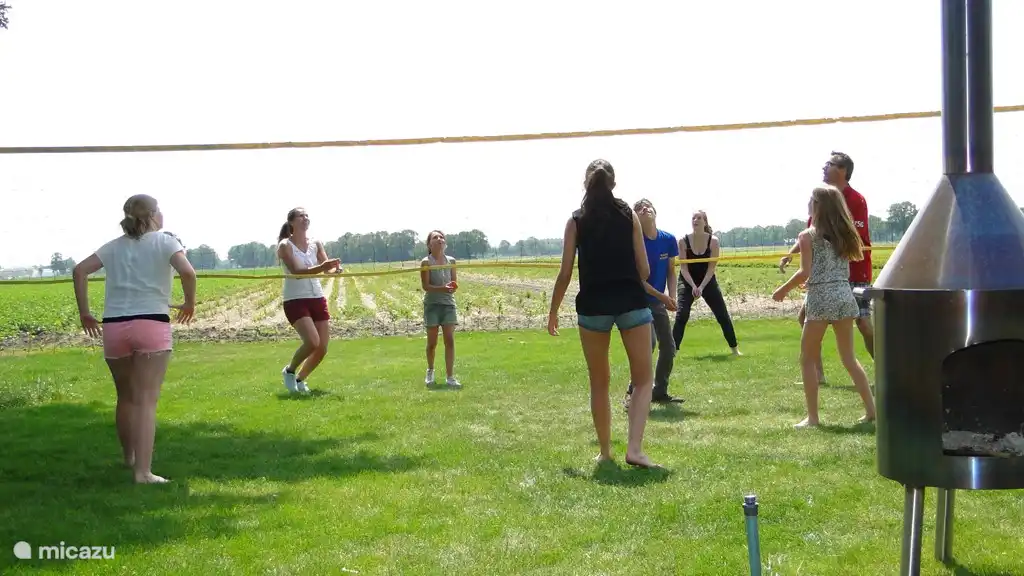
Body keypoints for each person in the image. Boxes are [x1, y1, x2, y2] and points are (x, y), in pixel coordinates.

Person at [72, 194, 197, 484]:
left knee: (125, 397)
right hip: (151, 324)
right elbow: (188, 272)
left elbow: (79, 270)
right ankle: (143, 472)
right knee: (146, 401)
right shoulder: (165, 241)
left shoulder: (113, 247)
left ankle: (129, 458)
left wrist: (85, 314)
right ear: (153, 215)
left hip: (115, 327)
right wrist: (189, 303)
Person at [548, 159, 658, 468]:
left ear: (586, 184)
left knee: (599, 381)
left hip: (593, 307)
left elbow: (565, 272)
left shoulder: (576, 221)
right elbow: (645, 270)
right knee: (643, 379)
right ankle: (635, 449)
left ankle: (605, 452)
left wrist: (553, 311)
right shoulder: (629, 216)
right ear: (613, 184)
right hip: (631, 303)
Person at [772, 185, 877, 428]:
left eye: (811, 200)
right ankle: (872, 411)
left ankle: (813, 418)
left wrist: (782, 290)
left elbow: (804, 271)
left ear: (818, 206)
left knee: (807, 358)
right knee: (849, 358)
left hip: (820, 298)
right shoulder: (845, 234)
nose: (808, 204)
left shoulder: (807, 235)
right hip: (843, 294)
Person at [780, 151, 874, 384]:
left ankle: (885, 369)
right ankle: (817, 375)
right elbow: (810, 235)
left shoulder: (856, 199)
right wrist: (792, 255)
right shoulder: (820, 199)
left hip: (853, 271)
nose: (824, 167)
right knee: (805, 318)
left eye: (829, 164)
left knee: (862, 323)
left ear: (842, 170)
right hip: (824, 275)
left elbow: (853, 238)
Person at [623, 198, 681, 411]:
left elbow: (671, 271)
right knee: (649, 345)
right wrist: (663, 297)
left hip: (658, 302)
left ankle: (660, 391)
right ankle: (632, 393)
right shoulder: (633, 243)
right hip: (638, 301)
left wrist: (671, 296)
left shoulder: (668, 239)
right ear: (635, 217)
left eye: (648, 206)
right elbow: (640, 280)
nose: (645, 208)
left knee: (668, 346)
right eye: (639, 208)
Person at [277, 207, 342, 394]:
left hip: (317, 297)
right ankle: (289, 371)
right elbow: (297, 272)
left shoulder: (316, 243)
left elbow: (326, 268)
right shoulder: (285, 246)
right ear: (291, 222)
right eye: (301, 216)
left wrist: (333, 270)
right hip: (295, 299)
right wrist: (322, 267)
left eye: (307, 216)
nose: (305, 218)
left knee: (322, 348)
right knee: (312, 342)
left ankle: (300, 379)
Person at [673, 210, 741, 357]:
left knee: (722, 314)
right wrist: (693, 286)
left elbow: (712, 268)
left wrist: (702, 287)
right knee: (682, 314)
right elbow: (683, 268)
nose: (695, 220)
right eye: (693, 218)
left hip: (707, 280)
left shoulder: (714, 241)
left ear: (705, 222)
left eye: (699, 218)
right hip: (687, 280)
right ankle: (673, 351)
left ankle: (735, 349)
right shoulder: (682, 241)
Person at [420, 229, 461, 388]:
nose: (439, 239)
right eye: (435, 237)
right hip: (432, 305)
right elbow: (426, 286)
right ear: (429, 244)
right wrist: (442, 288)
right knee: (432, 343)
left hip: (448, 304)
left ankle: (450, 377)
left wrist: (452, 287)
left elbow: (454, 283)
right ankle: (430, 371)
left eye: (441, 237)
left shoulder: (451, 261)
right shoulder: (426, 262)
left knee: (449, 341)